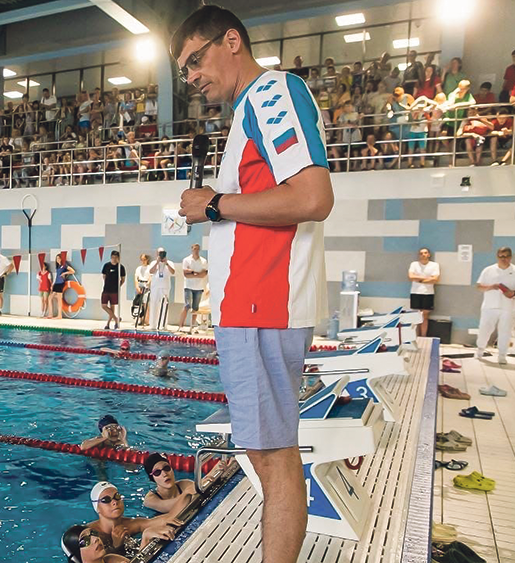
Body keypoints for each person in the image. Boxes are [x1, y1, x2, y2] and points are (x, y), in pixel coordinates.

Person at [172, 7, 334, 563]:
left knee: (273, 454)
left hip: (265, 298)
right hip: (252, 301)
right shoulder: (250, 111)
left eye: (195, 59)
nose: (191, 77)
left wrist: (214, 204)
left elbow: (313, 197)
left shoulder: (272, 94)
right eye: (184, 70)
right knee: (266, 452)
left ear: (232, 40)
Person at [85, 482, 181, 559]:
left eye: (117, 496)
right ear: (97, 508)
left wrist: (189, 492)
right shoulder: (89, 535)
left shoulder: (131, 524)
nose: (114, 502)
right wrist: (117, 547)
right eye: (106, 500)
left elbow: (169, 518)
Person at [475, 247, 515, 364]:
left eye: (506, 256)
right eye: (501, 257)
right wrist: (491, 287)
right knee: (484, 329)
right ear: (497, 257)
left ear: (510, 257)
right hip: (490, 306)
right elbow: (479, 286)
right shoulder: (488, 270)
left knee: (505, 331)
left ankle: (502, 355)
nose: (503, 259)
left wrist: (514, 292)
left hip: (508, 306)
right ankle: (480, 350)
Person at [408, 248, 440, 337]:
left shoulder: (434, 265)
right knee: (416, 316)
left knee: (425, 316)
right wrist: (427, 279)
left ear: (429, 254)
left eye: (425, 253)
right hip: (415, 292)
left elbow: (435, 279)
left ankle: (423, 336)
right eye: (421, 253)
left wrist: (419, 279)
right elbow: (411, 276)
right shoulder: (414, 264)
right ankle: (415, 336)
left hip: (428, 293)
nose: (423, 255)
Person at [177, 244, 208, 333]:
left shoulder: (203, 261)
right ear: (192, 249)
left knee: (195, 308)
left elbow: (204, 275)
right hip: (188, 286)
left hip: (199, 287)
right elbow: (186, 274)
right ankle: (181, 326)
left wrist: (192, 273)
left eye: (197, 249)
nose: (196, 251)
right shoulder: (186, 260)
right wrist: (197, 273)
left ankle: (193, 325)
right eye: (194, 249)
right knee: (187, 306)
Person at [61, 524, 130, 563]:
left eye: (93, 533)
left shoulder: (111, 559)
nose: (95, 539)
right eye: (86, 540)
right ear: (77, 554)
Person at [147, 247, 175, 330]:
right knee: (154, 304)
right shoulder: (153, 263)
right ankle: (152, 325)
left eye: (162, 253)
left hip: (165, 287)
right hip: (155, 287)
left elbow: (173, 272)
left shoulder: (169, 262)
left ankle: (163, 324)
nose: (161, 255)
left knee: (164, 305)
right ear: (157, 254)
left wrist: (166, 263)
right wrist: (157, 262)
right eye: (159, 253)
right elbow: (151, 271)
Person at [100, 251, 126, 330]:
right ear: (111, 257)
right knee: (103, 306)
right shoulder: (106, 265)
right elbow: (104, 276)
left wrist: (118, 286)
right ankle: (116, 319)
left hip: (114, 290)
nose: (114, 259)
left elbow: (123, 279)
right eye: (113, 257)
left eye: (116, 257)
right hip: (106, 289)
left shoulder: (120, 267)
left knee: (112, 307)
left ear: (118, 258)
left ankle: (108, 324)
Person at [51, 253, 76, 320]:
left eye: (59, 258)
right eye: (56, 259)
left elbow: (73, 271)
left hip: (60, 283)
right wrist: (53, 283)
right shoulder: (58, 266)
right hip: (56, 283)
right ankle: (50, 314)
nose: (57, 260)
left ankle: (59, 315)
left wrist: (65, 273)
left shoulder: (64, 265)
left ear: (61, 259)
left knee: (59, 300)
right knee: (50, 298)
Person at [134, 254, 152, 324]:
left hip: (146, 285)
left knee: (145, 303)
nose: (143, 261)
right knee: (139, 303)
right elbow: (136, 278)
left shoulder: (150, 268)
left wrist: (147, 285)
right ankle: (140, 319)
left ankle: (146, 320)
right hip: (139, 284)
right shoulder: (138, 268)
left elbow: (150, 277)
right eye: (142, 260)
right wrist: (137, 287)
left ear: (147, 260)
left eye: (144, 259)